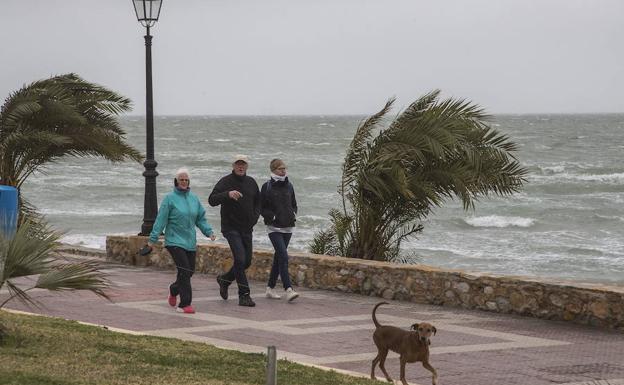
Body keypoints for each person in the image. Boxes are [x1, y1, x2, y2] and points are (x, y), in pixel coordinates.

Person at [148, 168, 216, 314]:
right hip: (174, 241)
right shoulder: (169, 199)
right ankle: (185, 304)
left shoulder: (194, 199)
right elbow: (160, 221)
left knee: (189, 271)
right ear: (176, 181)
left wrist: (209, 232)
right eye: (181, 179)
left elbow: (200, 218)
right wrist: (152, 240)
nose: (184, 182)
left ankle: (174, 289)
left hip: (190, 241)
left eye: (186, 180)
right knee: (184, 270)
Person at [208, 154, 260, 307]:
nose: (240, 166)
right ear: (233, 166)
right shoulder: (226, 182)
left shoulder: (251, 182)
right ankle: (244, 295)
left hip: (247, 228)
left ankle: (224, 279)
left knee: (246, 261)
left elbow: (258, 202)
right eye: (238, 164)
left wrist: (254, 218)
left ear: (247, 166)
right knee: (239, 259)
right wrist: (227, 194)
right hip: (231, 228)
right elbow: (212, 200)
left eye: (243, 164)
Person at [260, 158, 300, 302]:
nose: (283, 171)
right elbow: (262, 207)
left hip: (288, 227)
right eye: (280, 169)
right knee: (283, 256)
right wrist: (272, 216)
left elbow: (294, 203)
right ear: (273, 170)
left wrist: (293, 213)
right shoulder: (267, 187)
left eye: (284, 168)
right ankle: (288, 289)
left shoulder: (289, 186)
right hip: (274, 228)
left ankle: (270, 288)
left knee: (278, 258)